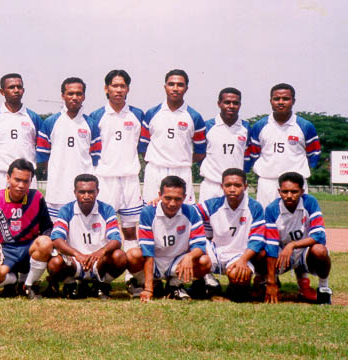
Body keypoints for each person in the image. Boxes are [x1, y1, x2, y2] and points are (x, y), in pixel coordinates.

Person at [89, 69, 145, 296]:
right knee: (105, 233)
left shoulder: (138, 115)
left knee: (131, 231)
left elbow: (144, 146)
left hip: (130, 179)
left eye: (123, 86)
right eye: (114, 86)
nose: (119, 90)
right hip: (105, 179)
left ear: (128, 89)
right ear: (106, 88)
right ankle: (102, 279)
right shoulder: (95, 116)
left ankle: (133, 280)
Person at [0, 159, 53, 299]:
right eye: (17, 180)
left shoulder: (36, 197)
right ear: (8, 178)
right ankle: (13, 280)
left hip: (29, 248)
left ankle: (28, 284)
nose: (21, 185)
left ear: (31, 181)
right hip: (5, 250)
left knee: (45, 242)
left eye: (26, 181)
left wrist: (46, 242)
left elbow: (47, 227)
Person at [48, 174, 127, 299]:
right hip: (75, 261)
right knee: (55, 263)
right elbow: (57, 239)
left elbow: (116, 240)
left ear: (97, 192)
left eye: (91, 192)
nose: (86, 196)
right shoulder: (66, 210)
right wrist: (77, 254)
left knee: (120, 257)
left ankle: (102, 284)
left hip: (99, 261)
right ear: (75, 192)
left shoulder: (106, 209)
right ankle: (71, 284)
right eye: (82, 192)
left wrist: (100, 252)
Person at [196, 168, 266, 302]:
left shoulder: (255, 207)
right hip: (215, 251)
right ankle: (206, 281)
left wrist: (243, 260)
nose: (232, 189)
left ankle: (234, 287)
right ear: (222, 186)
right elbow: (189, 212)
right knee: (194, 242)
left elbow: (257, 240)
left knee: (239, 284)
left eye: (237, 185)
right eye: (228, 185)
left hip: (239, 255)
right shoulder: (213, 204)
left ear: (245, 186)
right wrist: (159, 201)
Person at [138, 176, 211, 302]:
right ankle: (152, 283)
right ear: (160, 195)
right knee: (133, 255)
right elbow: (147, 251)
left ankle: (175, 285)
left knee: (205, 261)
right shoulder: (148, 212)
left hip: (177, 261)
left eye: (177, 199)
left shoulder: (191, 212)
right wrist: (148, 289)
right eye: (168, 198)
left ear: (184, 197)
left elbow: (200, 245)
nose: (172, 203)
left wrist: (189, 257)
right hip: (155, 259)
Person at [37, 77, 101, 220]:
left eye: (79, 94)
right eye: (70, 93)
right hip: (57, 191)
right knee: (56, 233)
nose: (74, 97)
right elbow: (43, 157)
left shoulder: (91, 124)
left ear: (83, 96)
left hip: (83, 192)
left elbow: (96, 157)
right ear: (63, 96)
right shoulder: (50, 122)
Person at [264, 172, 332, 304]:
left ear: (302, 191)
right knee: (261, 253)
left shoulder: (310, 202)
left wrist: (293, 245)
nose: (289, 196)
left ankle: (323, 288)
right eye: (285, 191)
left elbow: (319, 236)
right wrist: (271, 281)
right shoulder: (272, 209)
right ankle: (264, 281)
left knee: (320, 250)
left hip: (304, 253)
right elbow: (271, 245)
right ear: (279, 191)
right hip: (282, 254)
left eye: (294, 192)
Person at [249, 83, 321, 207]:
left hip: (296, 183)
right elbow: (253, 154)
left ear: (293, 101)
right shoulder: (260, 126)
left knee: (297, 220)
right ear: (271, 101)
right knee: (267, 221)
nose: (281, 102)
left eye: (286, 99)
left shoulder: (305, 126)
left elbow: (314, 154)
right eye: (277, 99)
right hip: (268, 182)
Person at [140, 69, 206, 205]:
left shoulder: (195, 117)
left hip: (181, 171)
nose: (175, 88)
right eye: (171, 84)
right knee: (152, 212)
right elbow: (143, 146)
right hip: (155, 170)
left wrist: (179, 160)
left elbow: (200, 153)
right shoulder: (152, 113)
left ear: (186, 88)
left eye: (180, 85)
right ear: (165, 87)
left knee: (184, 215)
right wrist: (159, 159)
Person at [0, 74, 42, 192]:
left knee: (29, 210)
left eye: (19, 87)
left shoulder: (34, 117)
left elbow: (42, 148)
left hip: (27, 176)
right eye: (11, 87)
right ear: (2, 91)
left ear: (23, 90)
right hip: (0, 175)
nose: (16, 90)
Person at [198, 87, 251, 202]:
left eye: (235, 103)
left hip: (236, 185)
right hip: (211, 184)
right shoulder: (207, 126)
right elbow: (200, 155)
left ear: (240, 105)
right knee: (207, 219)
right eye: (227, 102)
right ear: (219, 104)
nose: (231, 106)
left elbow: (248, 158)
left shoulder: (246, 128)